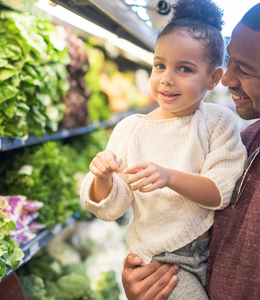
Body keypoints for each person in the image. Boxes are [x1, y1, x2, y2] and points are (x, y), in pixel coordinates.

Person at [122, 0, 260, 299]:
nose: (226, 80)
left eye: (246, 70)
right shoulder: (244, 139)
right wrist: (150, 287)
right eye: (230, 61)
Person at [79, 0, 247, 299]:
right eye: (160, 65)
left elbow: (221, 192)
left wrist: (169, 176)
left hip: (213, 252)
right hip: (161, 261)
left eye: (184, 68)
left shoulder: (217, 122)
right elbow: (112, 207)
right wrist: (102, 177)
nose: (167, 78)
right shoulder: (131, 130)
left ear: (213, 78)